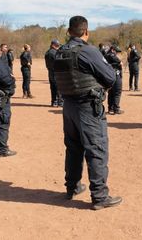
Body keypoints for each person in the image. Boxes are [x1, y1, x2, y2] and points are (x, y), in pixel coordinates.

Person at [53, 15, 122, 210]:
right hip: (87, 107)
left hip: (68, 107)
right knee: (96, 148)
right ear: (86, 32)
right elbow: (110, 77)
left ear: (68, 32)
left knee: (73, 148)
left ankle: (72, 187)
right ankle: (99, 196)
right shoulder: (88, 51)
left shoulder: (59, 52)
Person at [105, 44, 124, 115]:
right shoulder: (111, 55)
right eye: (116, 52)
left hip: (109, 76)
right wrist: (119, 62)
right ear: (113, 50)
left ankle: (111, 108)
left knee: (111, 92)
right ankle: (116, 109)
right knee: (117, 92)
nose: (117, 53)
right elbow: (118, 61)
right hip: (115, 75)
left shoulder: (105, 56)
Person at [45, 39, 63, 107]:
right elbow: (59, 63)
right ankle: (60, 102)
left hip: (50, 72)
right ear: (53, 45)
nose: (58, 47)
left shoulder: (47, 52)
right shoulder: (55, 53)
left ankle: (54, 101)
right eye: (57, 45)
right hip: (56, 72)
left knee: (53, 88)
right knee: (59, 87)